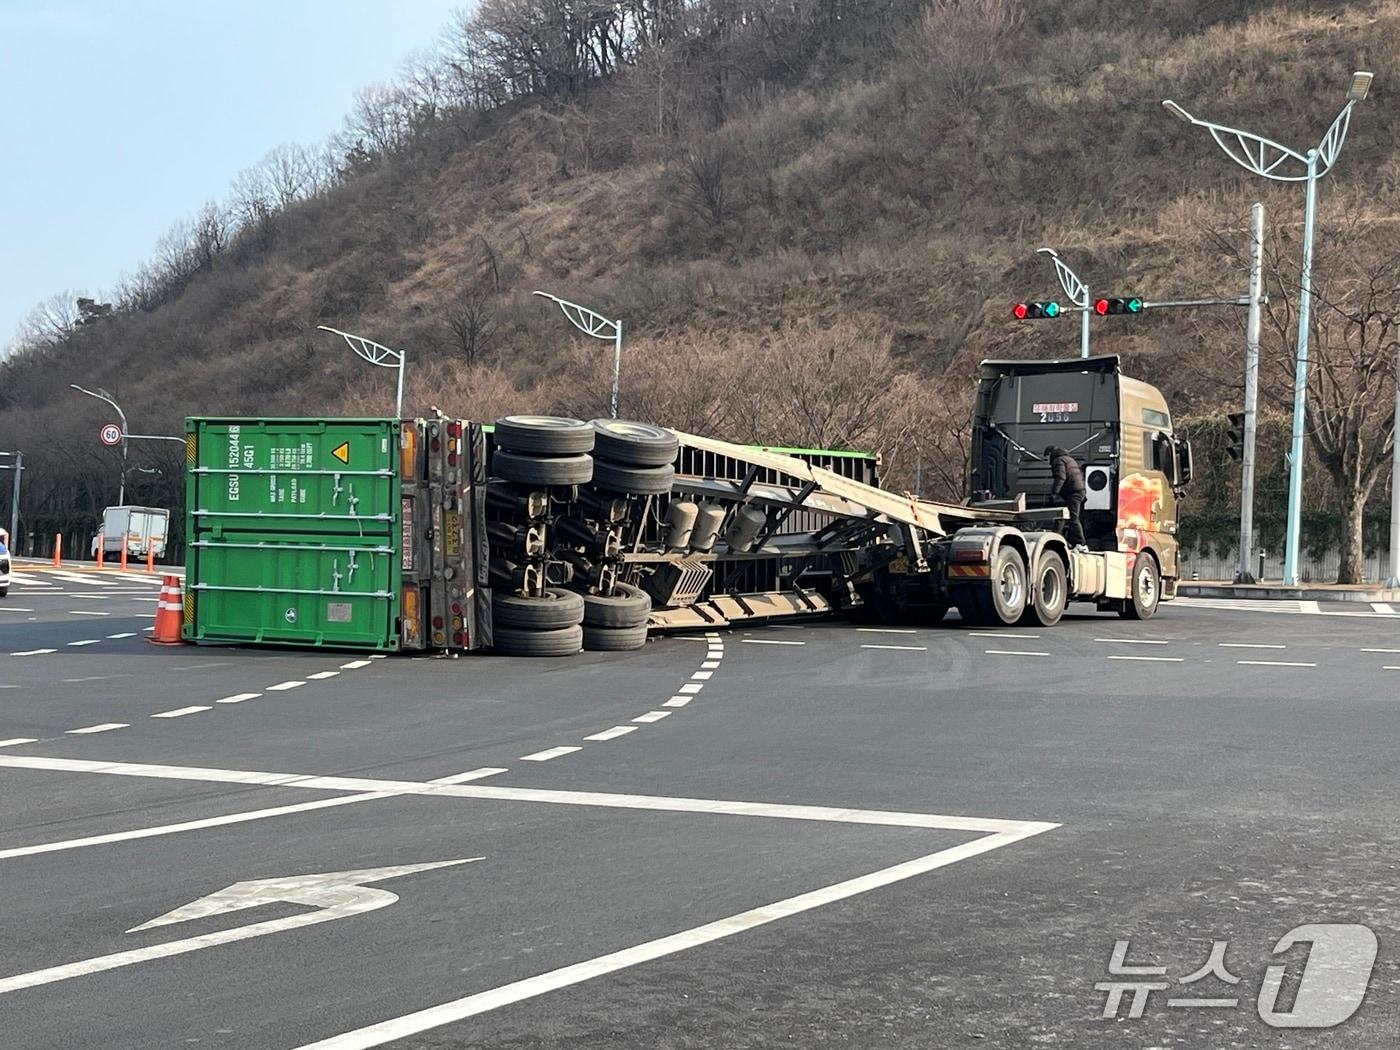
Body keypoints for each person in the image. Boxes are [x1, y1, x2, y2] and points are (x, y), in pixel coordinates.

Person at [1044, 445, 1088, 549]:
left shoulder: (1058, 461)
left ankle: (1081, 543)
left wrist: (1054, 493)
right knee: (1061, 515)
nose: (1047, 461)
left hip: (1073, 493)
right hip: (1078, 491)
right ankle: (1056, 538)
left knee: (1073, 518)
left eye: (1046, 457)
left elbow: (1060, 477)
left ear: (1050, 454)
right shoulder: (1069, 459)